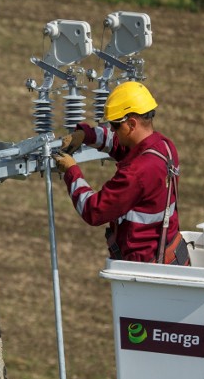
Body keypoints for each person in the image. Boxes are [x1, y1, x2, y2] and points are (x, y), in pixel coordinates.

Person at [52, 81, 190, 265]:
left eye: (115, 126)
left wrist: (71, 171)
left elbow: (93, 210)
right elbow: (120, 144)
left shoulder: (137, 172)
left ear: (132, 123)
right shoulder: (164, 146)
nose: (112, 130)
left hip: (145, 270)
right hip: (169, 257)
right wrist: (86, 135)